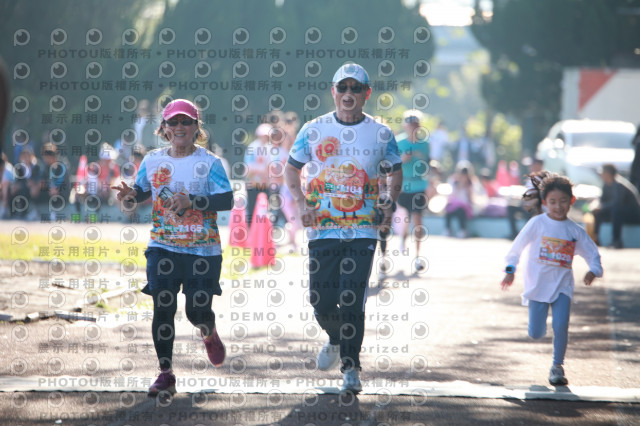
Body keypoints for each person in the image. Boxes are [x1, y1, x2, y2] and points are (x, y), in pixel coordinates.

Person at [284, 63, 402, 394]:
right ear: (333, 91)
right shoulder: (313, 129)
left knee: (351, 299)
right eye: (343, 87)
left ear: (367, 93)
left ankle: (351, 367)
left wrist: (389, 202)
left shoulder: (381, 133)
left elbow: (395, 171)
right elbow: (291, 170)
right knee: (320, 300)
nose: (348, 94)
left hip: (363, 229)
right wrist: (302, 202)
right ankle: (336, 337)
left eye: (355, 88)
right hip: (323, 228)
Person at [111, 99, 233, 397]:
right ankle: (165, 373)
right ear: (163, 128)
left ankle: (208, 330)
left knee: (196, 310)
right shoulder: (152, 160)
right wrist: (130, 195)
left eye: (185, 121)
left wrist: (193, 202)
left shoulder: (210, 163)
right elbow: (143, 191)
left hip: (202, 251)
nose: (179, 127)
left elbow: (227, 200)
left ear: (196, 127)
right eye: (173, 122)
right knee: (162, 307)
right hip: (162, 246)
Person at [501, 174, 603, 386]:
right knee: (536, 333)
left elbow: (592, 253)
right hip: (537, 286)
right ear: (545, 202)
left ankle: (557, 366)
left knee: (561, 325)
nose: (558, 206)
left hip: (562, 287)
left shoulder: (574, 230)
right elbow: (516, 248)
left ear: (572, 201)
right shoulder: (537, 223)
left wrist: (593, 270)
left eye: (563, 201)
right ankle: (539, 327)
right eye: (553, 202)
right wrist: (510, 269)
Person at [390, 109, 430, 272]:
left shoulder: (425, 144)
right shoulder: (398, 142)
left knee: (418, 220)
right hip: (402, 187)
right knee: (404, 218)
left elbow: (428, 164)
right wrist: (402, 160)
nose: (413, 127)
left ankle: (418, 256)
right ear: (404, 125)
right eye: (410, 124)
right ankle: (403, 238)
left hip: (419, 186)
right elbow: (390, 165)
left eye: (415, 124)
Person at [592, 163, 640, 249]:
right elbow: (602, 201)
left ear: (608, 174)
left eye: (602, 172)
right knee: (597, 212)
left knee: (616, 210)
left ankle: (616, 241)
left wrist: (602, 207)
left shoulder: (619, 185)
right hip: (618, 213)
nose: (601, 175)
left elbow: (617, 203)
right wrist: (596, 206)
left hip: (634, 215)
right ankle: (596, 239)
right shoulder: (605, 185)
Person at [444, 161, 484, 238]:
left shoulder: (472, 184)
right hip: (454, 206)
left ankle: (463, 230)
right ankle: (447, 229)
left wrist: (467, 189)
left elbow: (472, 199)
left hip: (466, 208)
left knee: (461, 210)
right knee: (448, 208)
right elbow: (451, 196)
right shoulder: (454, 182)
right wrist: (459, 186)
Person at [244, 122, 272, 226]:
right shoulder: (253, 147)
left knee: (264, 209)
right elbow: (248, 168)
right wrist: (262, 170)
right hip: (253, 184)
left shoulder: (269, 148)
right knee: (252, 208)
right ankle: (250, 229)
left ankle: (263, 230)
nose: (265, 138)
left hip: (265, 184)